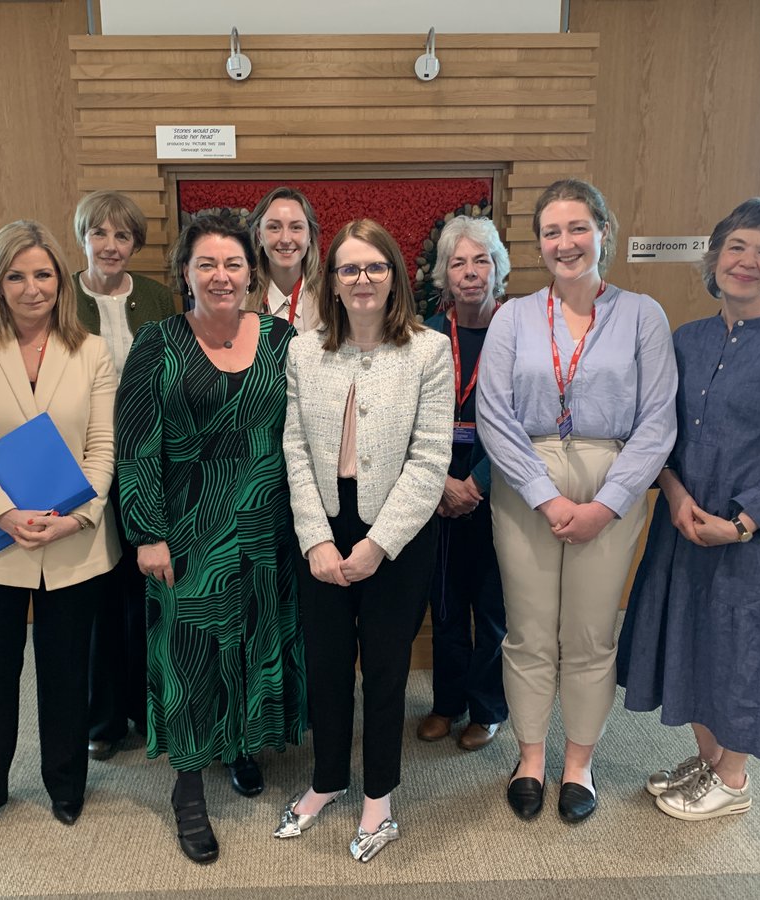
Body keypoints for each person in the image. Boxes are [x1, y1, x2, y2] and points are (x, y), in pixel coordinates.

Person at [616, 198, 760, 821]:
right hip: (681, 525)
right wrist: (677, 498)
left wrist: (738, 524)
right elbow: (660, 437)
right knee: (686, 637)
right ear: (715, 258)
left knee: (737, 648)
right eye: (738, 247)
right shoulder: (686, 340)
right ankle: (708, 759)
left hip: (746, 538)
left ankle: (733, 779)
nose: (748, 262)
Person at [477, 179, 677, 824]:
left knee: (591, 634)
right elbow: (494, 415)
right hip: (525, 480)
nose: (565, 243)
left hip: (610, 481)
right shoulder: (513, 316)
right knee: (530, 630)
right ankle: (531, 757)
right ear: (539, 244)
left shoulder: (643, 314)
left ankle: (578, 764)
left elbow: (658, 421)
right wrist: (543, 496)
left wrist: (607, 503)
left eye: (577, 228)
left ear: (602, 233)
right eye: (553, 232)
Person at [115, 214, 307, 864]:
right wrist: (146, 533)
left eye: (231, 264)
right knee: (192, 651)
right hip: (188, 533)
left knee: (255, 640)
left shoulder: (285, 339)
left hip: (265, 528)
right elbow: (136, 445)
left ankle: (242, 746)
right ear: (186, 274)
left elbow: (304, 436)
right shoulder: (158, 342)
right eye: (206, 265)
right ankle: (189, 787)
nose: (220, 276)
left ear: (252, 272)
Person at [0, 219, 120, 844]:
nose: (31, 287)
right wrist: (3, 513)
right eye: (16, 275)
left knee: (67, 675)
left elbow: (102, 449)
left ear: (60, 281)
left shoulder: (89, 350)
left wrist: (74, 516)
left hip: (72, 541)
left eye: (42, 274)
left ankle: (66, 785)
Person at [277, 219, 452, 862]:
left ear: (394, 275)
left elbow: (431, 459)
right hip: (322, 523)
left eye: (374, 267)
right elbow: (293, 448)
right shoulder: (303, 349)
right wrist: (316, 540)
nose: (361, 279)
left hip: (397, 534)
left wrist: (379, 544)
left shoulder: (429, 350)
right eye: (349, 269)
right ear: (333, 280)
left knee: (384, 666)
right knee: (325, 663)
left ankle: (378, 793)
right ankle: (326, 780)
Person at [71, 190, 176, 762]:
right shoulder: (59, 295)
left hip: (147, 465)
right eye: (101, 234)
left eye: (123, 236)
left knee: (148, 598)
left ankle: (146, 707)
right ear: (84, 236)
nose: (111, 246)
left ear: (135, 243)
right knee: (97, 597)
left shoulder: (158, 298)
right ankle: (104, 719)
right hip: (83, 468)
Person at [417, 216, 510, 752]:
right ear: (444, 275)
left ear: (497, 270)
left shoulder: (517, 329)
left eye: (481, 261)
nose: (470, 272)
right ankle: (445, 704)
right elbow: (408, 420)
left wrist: (477, 483)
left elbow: (527, 420)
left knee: (491, 607)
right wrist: (441, 485)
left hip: (496, 485)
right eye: (458, 262)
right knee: (445, 603)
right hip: (437, 485)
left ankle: (487, 709)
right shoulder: (426, 334)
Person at [245, 186, 323, 332]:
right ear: (259, 236)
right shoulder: (238, 304)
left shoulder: (331, 301)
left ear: (310, 236)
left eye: (296, 227)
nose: (285, 239)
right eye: (274, 227)